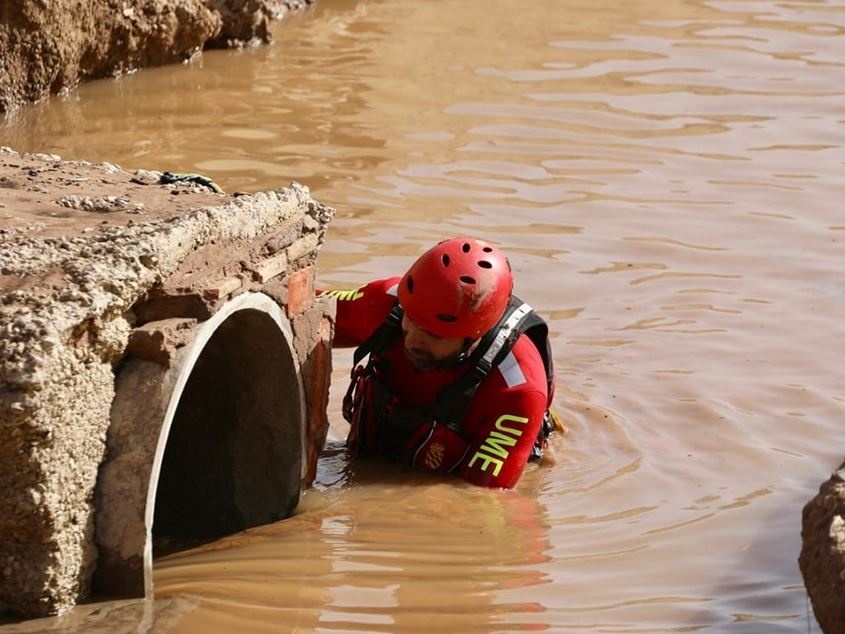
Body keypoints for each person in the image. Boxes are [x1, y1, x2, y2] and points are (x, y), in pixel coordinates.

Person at [322, 237, 561, 489]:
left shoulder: (518, 392)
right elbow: (300, 309)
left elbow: (476, 500)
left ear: (473, 336)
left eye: (434, 335)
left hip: (455, 467)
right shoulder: (389, 303)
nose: (412, 341)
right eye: (411, 320)